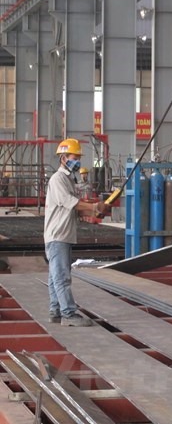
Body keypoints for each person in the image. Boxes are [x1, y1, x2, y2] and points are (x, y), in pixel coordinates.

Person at [45, 138, 111, 327]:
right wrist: (95, 207)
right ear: (63, 158)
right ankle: (68, 314)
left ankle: (55, 311)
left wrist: (95, 212)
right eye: (75, 157)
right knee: (61, 276)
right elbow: (71, 203)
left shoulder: (68, 180)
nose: (78, 161)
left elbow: (75, 210)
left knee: (55, 276)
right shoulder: (58, 179)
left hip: (63, 235)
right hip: (58, 235)